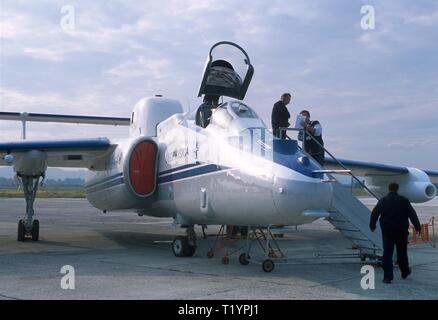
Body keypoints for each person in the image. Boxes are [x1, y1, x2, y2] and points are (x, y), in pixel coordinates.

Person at [369, 182, 422, 284]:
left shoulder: (383, 201)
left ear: (389, 189)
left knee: (387, 253)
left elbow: (375, 213)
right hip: (401, 231)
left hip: (387, 231)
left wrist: (372, 225)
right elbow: (412, 214)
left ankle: (387, 277)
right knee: (402, 252)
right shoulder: (404, 201)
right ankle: (405, 272)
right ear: (397, 189)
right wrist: (418, 227)